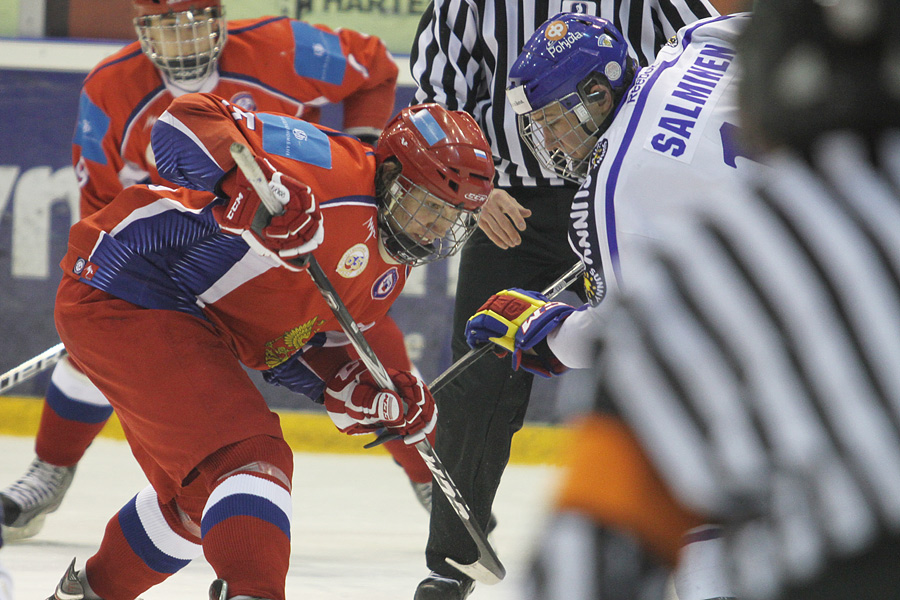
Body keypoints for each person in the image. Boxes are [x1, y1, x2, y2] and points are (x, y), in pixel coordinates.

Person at [0, 0, 434, 543]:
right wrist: (102, 278)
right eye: (165, 29)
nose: (184, 44)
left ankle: (430, 481)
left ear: (220, 19)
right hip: (190, 264)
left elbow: (374, 68)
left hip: (315, 246)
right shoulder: (110, 90)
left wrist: (365, 155)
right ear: (141, 30)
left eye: (195, 25)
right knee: (105, 349)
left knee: (375, 359)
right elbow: (101, 201)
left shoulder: (283, 47)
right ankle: (51, 469)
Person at [44, 95, 494, 600]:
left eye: (451, 217)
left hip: (188, 322)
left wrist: (357, 390)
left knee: (198, 505)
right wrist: (246, 184)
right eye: (429, 204)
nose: (435, 228)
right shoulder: (328, 167)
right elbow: (180, 123)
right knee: (250, 460)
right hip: (129, 279)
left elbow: (288, 349)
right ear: (391, 174)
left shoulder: (388, 273)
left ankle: (84, 593)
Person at [523, 0, 900, 598]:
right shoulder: (689, 42)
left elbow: (643, 356)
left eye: (553, 120)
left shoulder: (642, 216)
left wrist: (549, 330)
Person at [408, 0, 727, 596]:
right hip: (508, 205)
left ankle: (665, 533)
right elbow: (434, 101)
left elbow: (690, 46)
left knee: (635, 372)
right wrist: (478, 192)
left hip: (626, 182)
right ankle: (450, 565)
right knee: (478, 387)